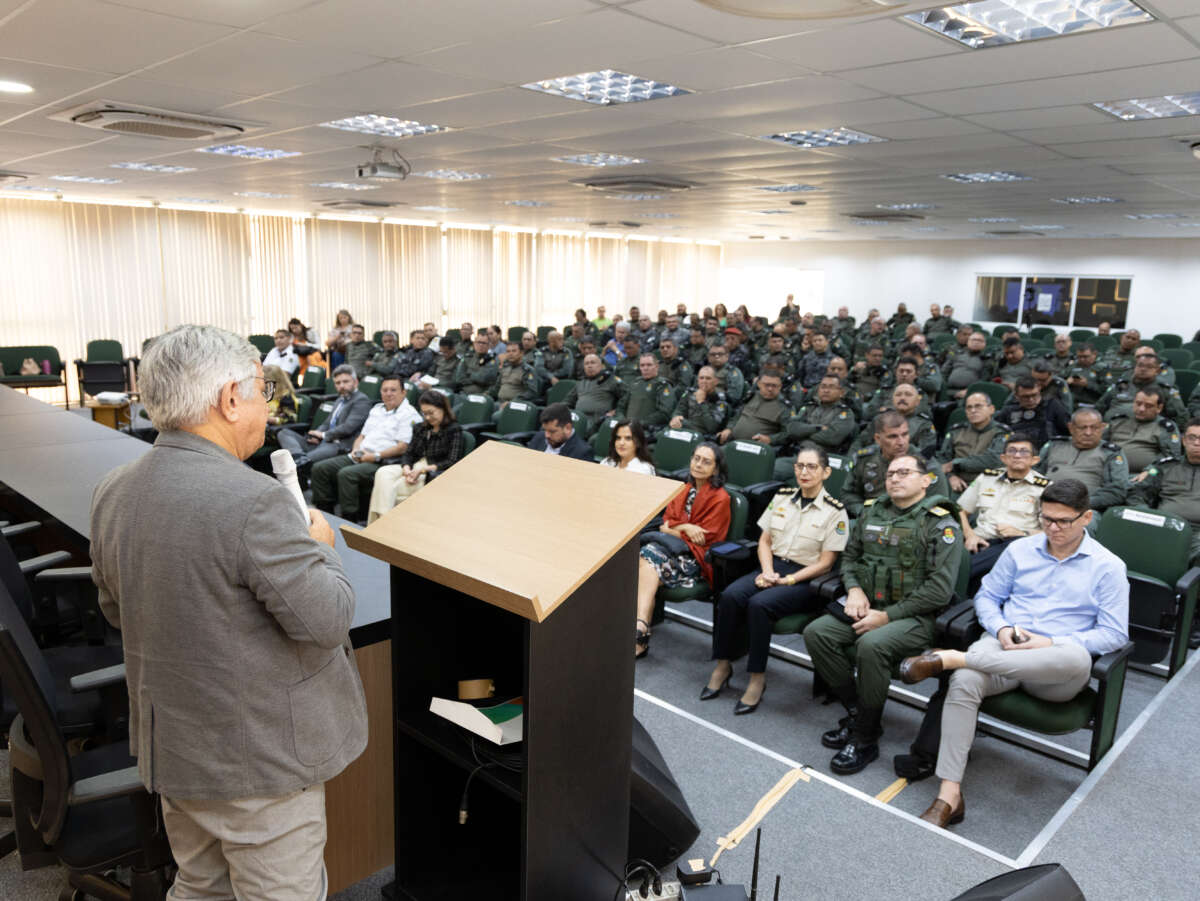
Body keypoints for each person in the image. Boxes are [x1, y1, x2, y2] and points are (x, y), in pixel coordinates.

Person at [90, 324, 366, 900]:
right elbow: (327, 621)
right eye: (262, 392)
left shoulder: (114, 488)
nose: (268, 408)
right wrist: (322, 549)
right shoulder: (255, 500)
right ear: (229, 399)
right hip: (260, 762)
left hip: (175, 748)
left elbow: (115, 610)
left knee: (199, 885)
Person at [897, 479, 1128, 828]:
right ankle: (949, 795)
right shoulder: (1020, 549)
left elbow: (1114, 634)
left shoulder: (1108, 566)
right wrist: (1002, 627)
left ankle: (952, 657)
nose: (1053, 528)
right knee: (965, 680)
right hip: (1006, 645)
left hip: (1053, 669)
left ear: (1086, 518)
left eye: (1063, 521)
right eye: (1046, 518)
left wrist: (1049, 642)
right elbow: (987, 597)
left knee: (1077, 656)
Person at [804, 454, 962, 774]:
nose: (895, 478)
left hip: (916, 618)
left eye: (904, 472)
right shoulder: (871, 511)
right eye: (890, 474)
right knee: (817, 633)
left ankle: (864, 739)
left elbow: (939, 591)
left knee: (871, 645)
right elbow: (850, 559)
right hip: (868, 606)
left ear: (925, 480)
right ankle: (860, 715)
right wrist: (854, 589)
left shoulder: (940, 523)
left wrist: (887, 617)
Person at [704, 444, 846, 713]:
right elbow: (764, 542)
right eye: (800, 466)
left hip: (806, 578)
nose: (804, 472)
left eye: (812, 467)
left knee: (760, 605)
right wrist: (768, 572)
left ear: (826, 472)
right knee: (730, 596)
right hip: (773, 566)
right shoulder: (781, 497)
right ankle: (723, 665)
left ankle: (757, 678)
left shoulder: (835, 512)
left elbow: (826, 563)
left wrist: (788, 580)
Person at [635, 442, 731, 657]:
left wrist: (674, 529)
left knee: (646, 561)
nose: (699, 464)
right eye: (696, 458)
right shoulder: (683, 489)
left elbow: (705, 538)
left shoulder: (721, 498)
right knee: (646, 561)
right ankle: (640, 631)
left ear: (716, 469)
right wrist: (687, 527)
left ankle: (640, 631)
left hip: (695, 558)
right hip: (667, 550)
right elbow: (664, 524)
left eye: (706, 461)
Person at [310, 374, 422, 523]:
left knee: (346, 474)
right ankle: (326, 515)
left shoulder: (409, 414)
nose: (388, 393)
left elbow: (403, 447)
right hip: (360, 454)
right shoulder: (377, 409)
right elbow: (361, 436)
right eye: (385, 390)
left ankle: (349, 520)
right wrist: (355, 450)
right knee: (320, 468)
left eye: (393, 390)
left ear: (403, 392)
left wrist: (375, 456)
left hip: (383, 461)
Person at [956, 434, 1048, 589]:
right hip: (980, 542)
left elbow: (1049, 531)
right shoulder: (986, 478)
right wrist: (970, 534)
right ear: (1003, 458)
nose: (1017, 455)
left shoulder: (1044, 487)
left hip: (1016, 545)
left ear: (1035, 460)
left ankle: (962, 573)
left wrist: (1022, 533)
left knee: (1006, 551)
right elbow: (960, 510)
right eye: (1012, 451)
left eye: (1024, 451)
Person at [366, 390, 464, 521]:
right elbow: (409, 453)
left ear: (443, 409)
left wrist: (422, 470)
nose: (428, 417)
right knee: (383, 472)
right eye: (424, 413)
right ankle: (383, 520)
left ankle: (379, 522)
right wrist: (406, 467)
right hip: (414, 466)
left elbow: (452, 461)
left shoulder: (454, 430)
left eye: (431, 413)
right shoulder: (420, 428)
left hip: (432, 470)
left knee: (392, 488)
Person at [1130, 418, 1200, 568]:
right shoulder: (1165, 467)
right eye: (1192, 438)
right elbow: (1138, 494)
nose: (1196, 443)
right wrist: (1146, 516)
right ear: (1183, 441)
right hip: (1162, 526)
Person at [276, 364, 371, 467]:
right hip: (323, 442)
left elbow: (348, 428)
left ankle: (301, 461)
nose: (342, 386)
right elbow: (327, 423)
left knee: (305, 459)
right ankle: (299, 457)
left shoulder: (361, 401)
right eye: (338, 383)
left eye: (345, 382)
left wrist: (323, 435)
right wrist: (316, 435)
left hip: (338, 445)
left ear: (355, 382)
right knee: (284, 433)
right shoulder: (340, 400)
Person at [1039, 408, 1129, 514]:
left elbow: (1117, 491)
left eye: (1094, 428)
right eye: (1082, 428)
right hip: (1044, 502)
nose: (1088, 433)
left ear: (1102, 428)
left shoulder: (1111, 453)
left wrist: (1081, 504)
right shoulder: (1054, 445)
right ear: (1071, 428)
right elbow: (1033, 475)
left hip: (1084, 509)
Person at [842, 411, 922, 518]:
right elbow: (848, 493)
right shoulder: (865, 458)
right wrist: (863, 512)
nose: (901, 442)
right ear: (878, 439)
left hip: (910, 518)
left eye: (905, 434)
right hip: (871, 516)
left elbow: (936, 500)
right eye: (893, 437)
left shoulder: (922, 462)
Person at [935, 392, 1010, 493]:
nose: (973, 410)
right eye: (969, 407)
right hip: (957, 483)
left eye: (978, 406)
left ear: (991, 409)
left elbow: (994, 460)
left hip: (989, 485)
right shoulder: (956, 431)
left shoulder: (1002, 432)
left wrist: (956, 463)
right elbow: (943, 458)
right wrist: (950, 476)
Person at [1105, 385, 1182, 476]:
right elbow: (1099, 444)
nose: (1141, 409)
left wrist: (1151, 470)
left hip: (1141, 475)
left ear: (1159, 408)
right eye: (1138, 403)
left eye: (1148, 406)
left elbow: (1171, 457)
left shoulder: (1165, 427)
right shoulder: (1118, 420)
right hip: (1107, 470)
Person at [716, 369, 790, 447]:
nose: (770, 389)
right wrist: (729, 429)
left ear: (780, 387)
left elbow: (788, 433)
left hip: (756, 448)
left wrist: (770, 439)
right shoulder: (751, 396)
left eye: (774, 386)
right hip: (732, 442)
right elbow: (737, 415)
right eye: (766, 385)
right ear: (759, 384)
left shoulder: (784, 407)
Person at [995, 376, 1070, 448]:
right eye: (1025, 397)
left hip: (1046, 449)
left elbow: (1068, 430)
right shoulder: (1009, 409)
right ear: (1016, 396)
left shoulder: (1052, 405)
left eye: (1034, 395)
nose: (1031, 400)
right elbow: (996, 431)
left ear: (1039, 390)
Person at [564, 353, 625, 434]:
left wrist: (617, 411)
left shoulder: (610, 380)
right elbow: (567, 401)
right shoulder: (581, 383)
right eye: (586, 364)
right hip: (579, 420)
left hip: (598, 422)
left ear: (601, 366)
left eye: (593, 363)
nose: (589, 366)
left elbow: (626, 396)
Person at [617, 354, 676, 435]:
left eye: (649, 365)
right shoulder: (635, 383)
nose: (645, 368)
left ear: (657, 366)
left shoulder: (662, 385)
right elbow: (621, 406)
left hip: (646, 430)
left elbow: (665, 413)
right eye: (642, 365)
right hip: (626, 428)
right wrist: (621, 420)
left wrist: (640, 423)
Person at [668, 365, 730, 439]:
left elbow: (711, 427)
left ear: (716, 381)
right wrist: (676, 418)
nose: (704, 381)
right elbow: (679, 410)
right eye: (701, 378)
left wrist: (701, 402)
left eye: (708, 378)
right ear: (698, 380)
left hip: (704, 437)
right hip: (686, 431)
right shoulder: (690, 393)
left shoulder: (720, 401)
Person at [527, 402, 594, 460]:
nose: (547, 435)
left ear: (568, 428)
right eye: (545, 430)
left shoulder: (582, 452)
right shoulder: (539, 437)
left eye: (552, 431)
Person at [942, 331, 994, 398]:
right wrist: (944, 387)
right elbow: (944, 372)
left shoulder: (987, 360)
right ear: (968, 342)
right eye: (973, 340)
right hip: (948, 389)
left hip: (970, 392)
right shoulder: (957, 354)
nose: (976, 342)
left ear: (984, 344)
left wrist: (969, 390)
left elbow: (984, 380)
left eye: (979, 340)